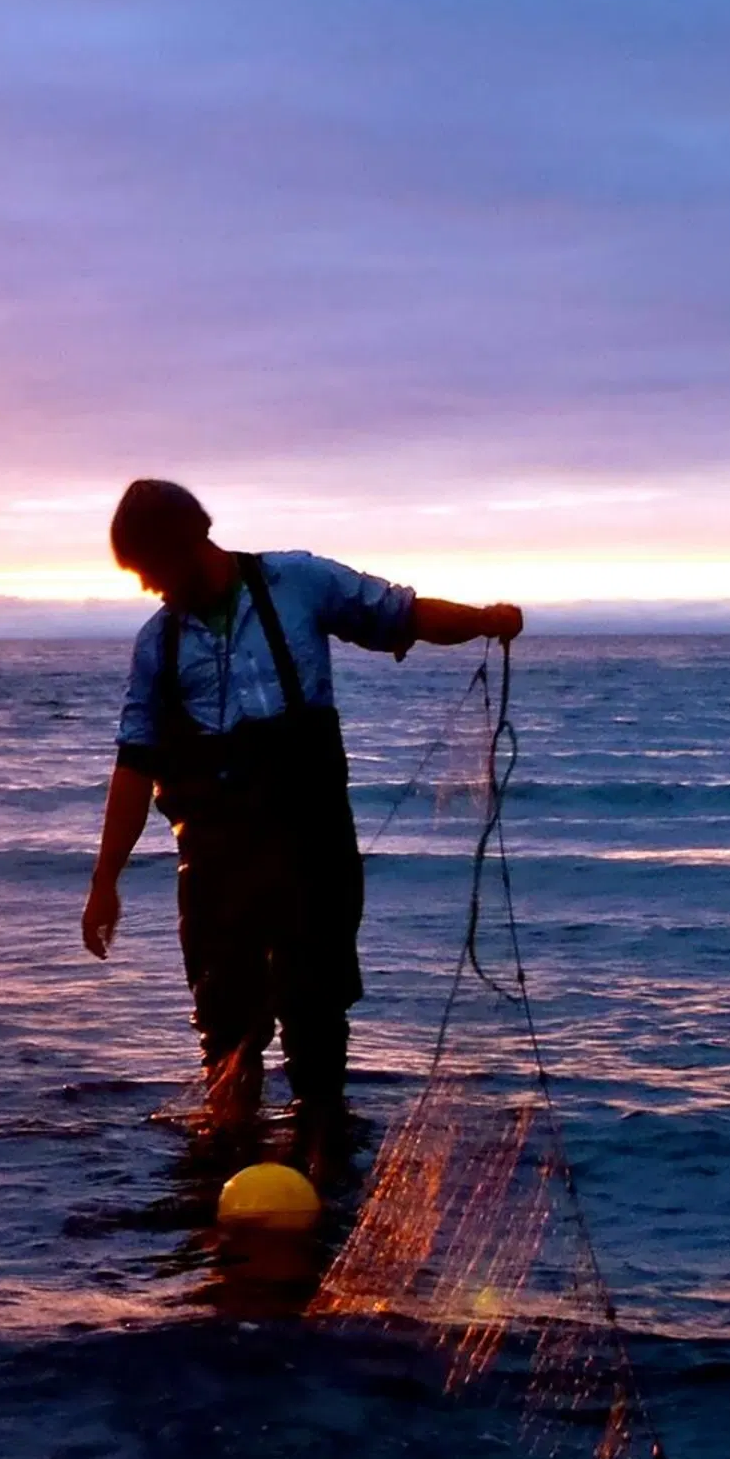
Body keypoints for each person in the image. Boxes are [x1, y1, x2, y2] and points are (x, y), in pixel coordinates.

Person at [80, 479, 522, 1180]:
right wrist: (104, 882)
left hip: (310, 842)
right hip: (214, 857)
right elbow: (135, 764)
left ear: (192, 542)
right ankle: (232, 1157)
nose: (151, 589)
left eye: (154, 570)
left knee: (317, 1013)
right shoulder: (155, 646)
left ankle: (322, 1154)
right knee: (225, 1023)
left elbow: (399, 616)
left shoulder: (298, 582)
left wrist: (485, 620)